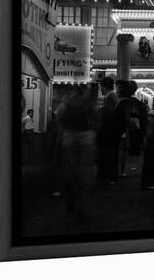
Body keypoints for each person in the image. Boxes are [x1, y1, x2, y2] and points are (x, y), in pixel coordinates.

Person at [56, 85, 97, 220]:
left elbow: (59, 118)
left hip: (69, 136)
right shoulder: (88, 102)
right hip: (86, 136)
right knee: (84, 172)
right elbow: (96, 119)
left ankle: (70, 200)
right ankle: (82, 206)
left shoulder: (66, 102)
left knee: (69, 168)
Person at [97, 77, 118, 183]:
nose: (100, 90)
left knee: (107, 153)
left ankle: (108, 176)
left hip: (108, 130)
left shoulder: (110, 97)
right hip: (111, 129)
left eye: (101, 87)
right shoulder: (112, 96)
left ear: (104, 86)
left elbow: (109, 113)